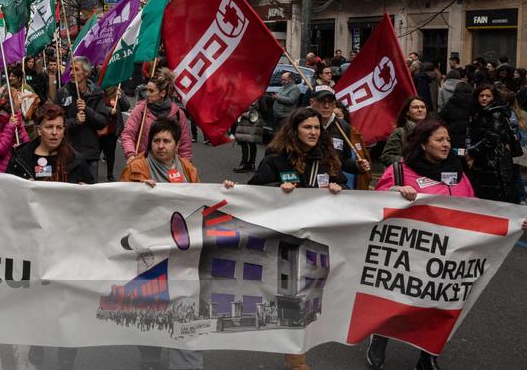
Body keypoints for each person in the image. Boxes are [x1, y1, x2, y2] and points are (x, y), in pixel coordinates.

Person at [223, 107, 344, 370]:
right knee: (293, 298)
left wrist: (339, 187)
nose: (313, 132)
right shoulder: (276, 159)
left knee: (309, 300)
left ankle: (294, 354)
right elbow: (253, 192)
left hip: (318, 241)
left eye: (317, 127)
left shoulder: (327, 159)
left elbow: (343, 187)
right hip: (284, 244)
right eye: (307, 127)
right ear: (294, 130)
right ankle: (296, 360)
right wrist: (276, 189)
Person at [368, 119, 476, 370]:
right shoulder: (401, 170)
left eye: (448, 139)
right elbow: (375, 205)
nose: (446, 144)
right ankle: (381, 335)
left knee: (439, 306)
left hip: (447, 253)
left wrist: (508, 223)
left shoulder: (457, 172)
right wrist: (395, 192)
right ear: (424, 144)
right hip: (409, 253)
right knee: (397, 301)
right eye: (439, 140)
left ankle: (428, 356)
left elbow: (473, 206)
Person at [7, 102, 92, 369]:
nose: (55, 133)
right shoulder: (21, 159)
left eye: (59, 128)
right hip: (34, 244)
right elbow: (7, 197)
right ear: (39, 129)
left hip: (67, 244)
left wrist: (85, 193)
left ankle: (67, 349)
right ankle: (39, 342)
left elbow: (95, 202)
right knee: (38, 299)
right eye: (49, 127)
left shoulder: (76, 160)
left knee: (67, 301)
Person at [119, 117, 203, 370]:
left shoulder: (188, 169)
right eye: (156, 140)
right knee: (150, 306)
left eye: (167, 141)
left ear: (177, 144)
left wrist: (226, 190)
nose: (161, 146)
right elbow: (118, 203)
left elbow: (200, 202)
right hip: (149, 250)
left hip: (181, 251)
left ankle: (185, 360)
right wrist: (137, 192)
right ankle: (150, 356)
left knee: (183, 304)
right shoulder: (136, 168)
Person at [120, 70, 193, 163]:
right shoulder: (141, 110)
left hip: (169, 166)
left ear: (162, 93)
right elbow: (128, 134)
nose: (147, 94)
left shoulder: (178, 114)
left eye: (151, 91)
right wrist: (131, 154)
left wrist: (185, 165)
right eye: (147, 90)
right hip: (144, 164)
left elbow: (185, 145)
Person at [466, 83, 521, 203]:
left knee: (494, 196)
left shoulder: (496, 113)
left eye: (488, 96)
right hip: (482, 159)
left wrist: (471, 152)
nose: (484, 98)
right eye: (481, 95)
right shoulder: (477, 112)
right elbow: (470, 133)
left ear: (494, 97)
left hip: (495, 160)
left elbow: (491, 138)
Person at [59, 56, 111, 182]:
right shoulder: (63, 92)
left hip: (90, 154)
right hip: (69, 153)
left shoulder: (96, 93)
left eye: (76, 69)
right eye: (71, 69)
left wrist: (87, 110)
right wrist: (74, 122)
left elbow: (103, 122)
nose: (72, 73)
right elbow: (56, 123)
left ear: (86, 72)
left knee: (90, 191)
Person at [309, 86, 371, 184]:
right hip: (307, 184)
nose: (326, 106)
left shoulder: (343, 126)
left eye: (330, 102)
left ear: (334, 104)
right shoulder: (300, 122)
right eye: (322, 101)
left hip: (334, 184)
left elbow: (344, 160)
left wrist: (356, 166)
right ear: (312, 102)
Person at [380, 96, 430, 170]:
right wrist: (409, 161)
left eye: (423, 107)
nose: (420, 110)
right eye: (415, 107)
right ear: (407, 113)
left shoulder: (433, 130)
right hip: (409, 173)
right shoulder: (400, 132)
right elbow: (387, 157)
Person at [98, 85, 131, 182]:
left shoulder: (118, 90)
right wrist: (108, 110)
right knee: (97, 149)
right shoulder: (99, 90)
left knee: (111, 151)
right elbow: (96, 106)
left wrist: (120, 98)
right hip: (100, 126)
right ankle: (92, 172)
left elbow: (126, 107)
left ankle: (110, 174)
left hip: (113, 128)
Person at [233, 101, 265, 173]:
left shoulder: (252, 97)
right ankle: (251, 164)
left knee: (244, 142)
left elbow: (247, 107)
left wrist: (241, 113)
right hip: (253, 121)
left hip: (249, 121)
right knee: (251, 143)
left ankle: (244, 164)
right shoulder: (259, 96)